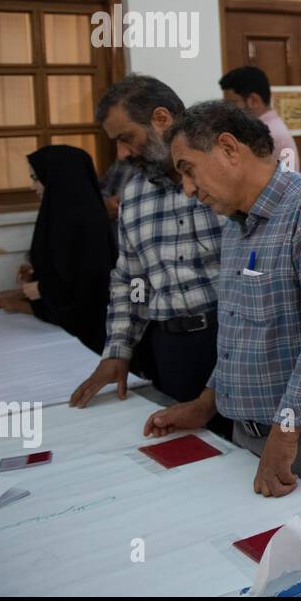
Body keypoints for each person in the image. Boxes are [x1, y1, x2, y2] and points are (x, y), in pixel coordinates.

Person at [142, 102, 301, 505]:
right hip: (254, 434)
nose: (189, 189)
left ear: (229, 148)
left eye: (188, 169)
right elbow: (240, 331)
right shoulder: (238, 225)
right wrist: (205, 404)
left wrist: (284, 435)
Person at [69, 76, 227, 437]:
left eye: (126, 138)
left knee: (245, 460)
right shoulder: (135, 192)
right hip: (173, 350)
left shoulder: (225, 177)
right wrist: (117, 351)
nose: (122, 153)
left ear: (161, 119)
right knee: (190, 457)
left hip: (234, 339)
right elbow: (130, 279)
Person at [0, 146, 116, 353]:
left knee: (44, 305)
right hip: (60, 294)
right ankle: (9, 300)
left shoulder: (87, 221)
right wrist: (35, 272)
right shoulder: (59, 211)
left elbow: (92, 282)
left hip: (86, 309)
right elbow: (60, 263)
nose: (32, 185)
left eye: (37, 178)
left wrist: (43, 289)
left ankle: (10, 302)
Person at [219, 65, 300, 174]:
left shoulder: (266, 133)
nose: (228, 109)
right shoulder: (270, 127)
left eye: (233, 102)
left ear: (254, 101)